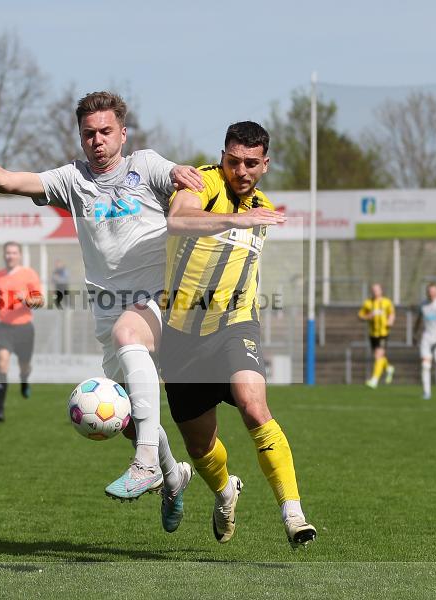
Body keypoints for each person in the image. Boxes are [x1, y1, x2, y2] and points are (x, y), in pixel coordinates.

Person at [0, 91, 201, 521]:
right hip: (107, 307)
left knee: (129, 339)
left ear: (123, 133)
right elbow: (8, 181)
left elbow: (175, 176)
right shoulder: (73, 179)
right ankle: (171, 476)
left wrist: (179, 171)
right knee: (125, 415)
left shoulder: (146, 164)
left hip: (155, 297)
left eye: (106, 131)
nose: (97, 140)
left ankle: (145, 464)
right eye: (89, 134)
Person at [160, 121, 316, 549]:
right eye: (233, 161)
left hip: (234, 327)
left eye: (251, 163)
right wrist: (236, 217)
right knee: (200, 444)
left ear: (265, 164)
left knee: (253, 405)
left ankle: (293, 514)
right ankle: (225, 490)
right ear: (223, 157)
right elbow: (178, 219)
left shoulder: (264, 205)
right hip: (179, 336)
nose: (240, 170)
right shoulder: (204, 181)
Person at [0, 241, 43, 422]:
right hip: (3, 327)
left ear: (19, 255)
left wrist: (26, 299)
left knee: (24, 366)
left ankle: (24, 379)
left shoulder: (29, 274)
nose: (10, 256)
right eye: (7, 253)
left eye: (14, 253)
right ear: (4, 255)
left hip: (24, 327)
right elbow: (0, 299)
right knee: (2, 363)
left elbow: (40, 300)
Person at [358, 283, 396, 388]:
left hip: (383, 333)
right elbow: (360, 316)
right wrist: (368, 316)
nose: (375, 292)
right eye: (373, 290)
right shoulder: (368, 303)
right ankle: (388, 368)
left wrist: (390, 321)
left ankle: (374, 380)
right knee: (379, 356)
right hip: (373, 334)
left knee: (378, 355)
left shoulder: (386, 302)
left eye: (377, 290)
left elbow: (392, 313)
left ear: (381, 290)